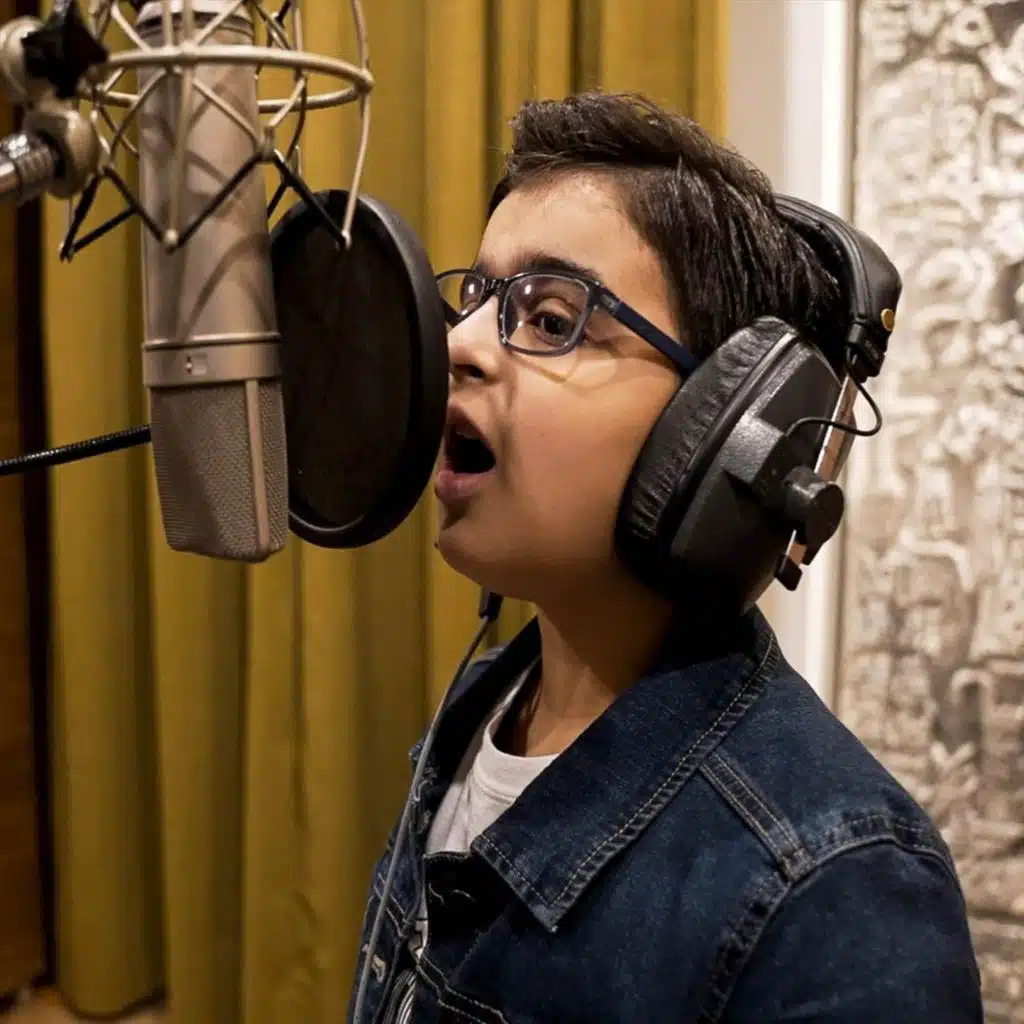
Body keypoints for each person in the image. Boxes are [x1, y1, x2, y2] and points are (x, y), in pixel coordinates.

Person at [349, 92, 983, 1023]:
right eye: (478, 301)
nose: (457, 347)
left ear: (725, 436)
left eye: (551, 318)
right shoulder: (479, 710)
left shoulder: (838, 892)